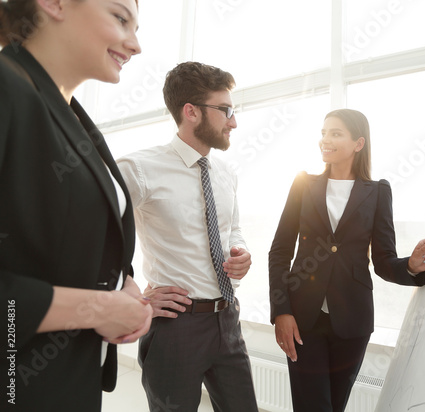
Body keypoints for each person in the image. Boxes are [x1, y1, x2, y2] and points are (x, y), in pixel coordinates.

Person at [0, 1, 153, 410]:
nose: (135, 45)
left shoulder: (72, 115)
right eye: (120, 18)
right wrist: (97, 308)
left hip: (67, 379)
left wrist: (126, 286)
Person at [268, 109, 425, 412]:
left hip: (353, 321)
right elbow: (280, 252)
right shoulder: (303, 185)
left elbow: (384, 261)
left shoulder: (377, 192)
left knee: (335, 406)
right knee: (312, 406)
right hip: (303, 318)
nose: (325, 140)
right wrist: (281, 311)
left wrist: (412, 266)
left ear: (358, 143)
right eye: (324, 132)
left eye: (335, 133)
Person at [117, 61, 259, 412]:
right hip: (175, 327)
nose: (234, 121)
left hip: (227, 320)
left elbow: (231, 227)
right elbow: (91, 233)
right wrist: (127, 291)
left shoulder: (225, 173)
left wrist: (240, 250)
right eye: (225, 110)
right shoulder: (138, 169)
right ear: (191, 111)